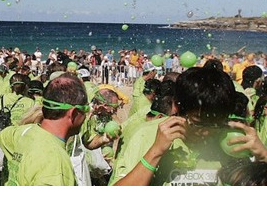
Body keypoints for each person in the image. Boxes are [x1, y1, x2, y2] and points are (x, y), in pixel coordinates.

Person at [113, 66, 267, 186]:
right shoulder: (146, 135)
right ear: (177, 108)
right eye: (198, 123)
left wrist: (263, 157)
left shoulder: (231, 139)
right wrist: (155, 152)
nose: (207, 132)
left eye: (216, 123)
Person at [0, 73, 88, 185]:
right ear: (73, 113)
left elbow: (1, 137)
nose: (86, 115)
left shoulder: (23, 132)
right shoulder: (55, 162)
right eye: (85, 108)